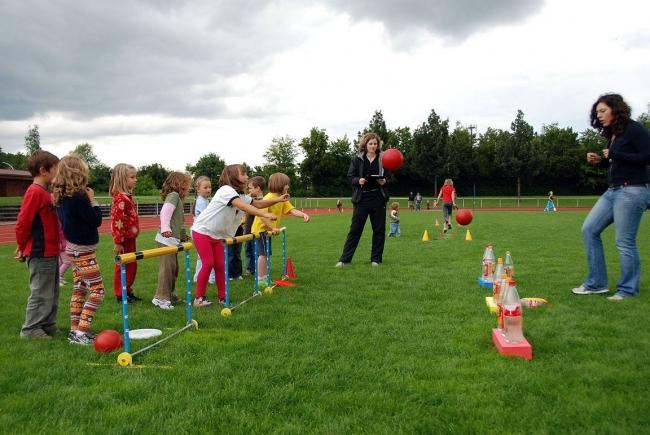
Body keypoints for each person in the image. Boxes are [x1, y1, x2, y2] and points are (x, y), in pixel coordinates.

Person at [572, 94, 650, 301]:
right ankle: (597, 284)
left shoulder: (634, 129)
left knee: (624, 242)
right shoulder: (613, 134)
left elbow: (646, 156)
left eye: (603, 111)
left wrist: (615, 155)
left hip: (632, 190)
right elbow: (616, 161)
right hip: (613, 191)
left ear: (616, 110)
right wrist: (601, 161)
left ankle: (627, 289)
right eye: (597, 112)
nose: (599, 115)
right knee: (589, 229)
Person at [191, 165, 284, 307]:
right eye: (244, 174)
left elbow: (257, 203)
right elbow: (243, 206)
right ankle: (199, 299)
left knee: (221, 266)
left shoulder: (240, 195)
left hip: (218, 235)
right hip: (202, 232)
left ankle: (223, 297)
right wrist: (265, 214)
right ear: (234, 176)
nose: (247, 177)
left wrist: (278, 200)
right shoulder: (226, 191)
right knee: (208, 263)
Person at [53, 155, 104, 345]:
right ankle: (82, 332)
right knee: (97, 291)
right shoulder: (79, 197)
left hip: (72, 249)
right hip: (83, 251)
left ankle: (75, 330)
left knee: (80, 288)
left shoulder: (62, 196)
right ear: (79, 173)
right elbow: (95, 219)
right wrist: (93, 201)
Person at [15, 150, 60, 339]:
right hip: (40, 251)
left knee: (51, 291)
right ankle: (31, 329)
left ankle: (47, 324)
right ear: (43, 170)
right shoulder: (34, 192)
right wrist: (21, 246)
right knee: (41, 292)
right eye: (56, 170)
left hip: (50, 251)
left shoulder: (45, 192)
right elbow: (23, 222)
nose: (58, 174)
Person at [336, 132, 389, 267]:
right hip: (362, 198)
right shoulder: (357, 159)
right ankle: (344, 260)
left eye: (375, 144)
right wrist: (357, 180)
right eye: (370, 143)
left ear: (378, 145)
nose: (373, 146)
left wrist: (384, 181)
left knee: (379, 230)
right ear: (365, 144)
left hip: (378, 197)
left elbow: (389, 177)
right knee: (355, 229)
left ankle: (376, 259)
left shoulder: (383, 159)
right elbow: (350, 176)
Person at [252, 172, 310, 281]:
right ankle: (261, 279)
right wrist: (272, 227)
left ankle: (263, 276)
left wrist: (303, 214)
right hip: (261, 229)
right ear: (279, 184)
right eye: (286, 184)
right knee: (263, 254)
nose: (288, 186)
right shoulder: (269, 198)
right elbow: (262, 217)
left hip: (268, 230)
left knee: (266, 253)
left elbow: (291, 210)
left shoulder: (282, 198)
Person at [153, 172, 192, 310]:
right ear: (179, 184)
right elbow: (165, 212)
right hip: (166, 239)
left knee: (174, 269)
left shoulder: (177, 198)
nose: (189, 187)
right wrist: (165, 227)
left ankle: (170, 293)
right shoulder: (173, 196)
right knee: (167, 269)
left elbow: (178, 221)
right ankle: (161, 298)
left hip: (172, 240)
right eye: (187, 184)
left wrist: (182, 235)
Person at [110, 163, 142, 303]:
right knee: (123, 265)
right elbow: (117, 221)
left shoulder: (127, 197)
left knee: (131, 265)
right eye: (132, 177)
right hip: (124, 239)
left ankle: (127, 290)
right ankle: (120, 293)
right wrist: (118, 241)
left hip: (130, 238)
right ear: (123, 179)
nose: (135, 180)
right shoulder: (121, 199)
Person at [192, 176, 215, 285]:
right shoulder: (201, 201)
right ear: (198, 189)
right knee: (208, 257)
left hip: (202, 231)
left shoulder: (205, 200)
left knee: (202, 257)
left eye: (210, 187)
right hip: (202, 232)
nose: (208, 189)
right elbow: (207, 216)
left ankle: (198, 277)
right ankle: (209, 278)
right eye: (205, 187)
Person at [243, 176, 266, 276]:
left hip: (258, 230)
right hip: (248, 229)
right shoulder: (249, 199)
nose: (249, 190)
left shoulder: (263, 201)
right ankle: (250, 269)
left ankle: (258, 269)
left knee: (258, 251)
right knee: (248, 249)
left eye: (250, 188)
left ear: (258, 188)